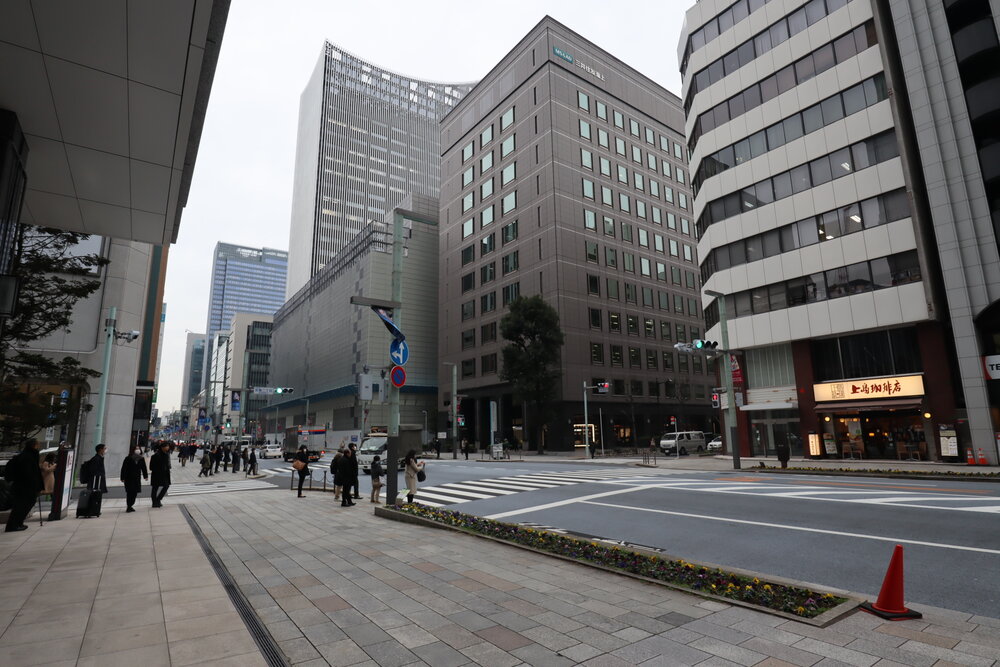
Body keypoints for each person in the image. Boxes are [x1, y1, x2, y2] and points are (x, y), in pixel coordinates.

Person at [4, 439, 43, 532]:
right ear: (34, 446)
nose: (39, 446)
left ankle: (17, 523)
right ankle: (13, 525)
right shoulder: (28, 457)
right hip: (25, 487)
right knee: (21, 506)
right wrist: (35, 484)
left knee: (23, 505)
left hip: (24, 486)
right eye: (38, 444)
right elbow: (29, 473)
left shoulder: (27, 455)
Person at [120, 444, 149, 512]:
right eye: (136, 449)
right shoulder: (128, 458)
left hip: (136, 478)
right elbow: (123, 468)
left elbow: (144, 468)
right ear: (132, 450)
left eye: (138, 448)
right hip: (128, 478)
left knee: (135, 492)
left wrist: (145, 476)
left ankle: (131, 505)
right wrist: (122, 477)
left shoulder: (141, 458)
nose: (137, 450)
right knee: (130, 492)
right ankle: (129, 506)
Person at [150, 441, 172, 508]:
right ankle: (155, 502)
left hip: (164, 474)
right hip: (157, 475)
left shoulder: (166, 454)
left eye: (168, 446)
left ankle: (158, 500)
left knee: (166, 486)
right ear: (162, 447)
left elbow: (167, 464)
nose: (168, 447)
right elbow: (151, 467)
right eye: (166, 446)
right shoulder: (156, 456)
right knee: (155, 488)